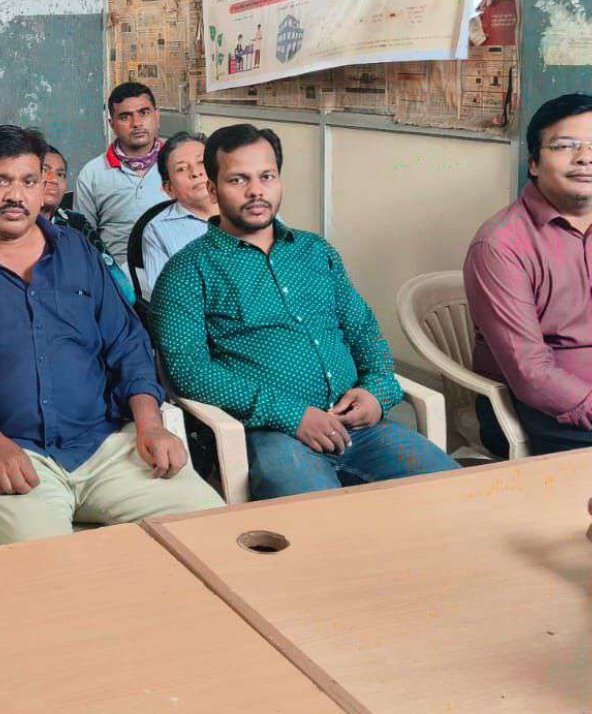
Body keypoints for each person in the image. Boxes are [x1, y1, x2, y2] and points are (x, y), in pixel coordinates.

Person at [0, 125, 221, 546]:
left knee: (212, 531)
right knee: (45, 575)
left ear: (43, 188)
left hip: (109, 445)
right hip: (15, 454)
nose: (15, 195)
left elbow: (127, 343)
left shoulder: (76, 249)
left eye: (28, 181)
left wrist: (150, 424)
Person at [151, 123, 455, 500]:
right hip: (274, 434)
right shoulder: (188, 271)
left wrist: (377, 392)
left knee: (455, 491)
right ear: (212, 190)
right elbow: (188, 371)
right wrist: (292, 415)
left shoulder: (315, 252)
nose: (256, 190)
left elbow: (365, 333)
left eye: (266, 176)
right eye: (238, 180)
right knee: (316, 517)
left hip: (361, 428)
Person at [464, 92, 592, 457]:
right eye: (566, 146)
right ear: (533, 162)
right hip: (538, 407)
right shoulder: (499, 245)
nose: (585, 158)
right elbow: (530, 373)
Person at [74, 81, 168, 270]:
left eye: (144, 113)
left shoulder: (180, 165)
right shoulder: (92, 174)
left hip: (177, 273)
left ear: (157, 116)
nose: (137, 123)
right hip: (117, 278)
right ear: (112, 125)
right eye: (125, 117)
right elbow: (82, 240)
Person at [40, 146, 134, 305]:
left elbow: (123, 289)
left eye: (60, 174)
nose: (53, 179)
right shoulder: (14, 227)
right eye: (44, 170)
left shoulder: (76, 223)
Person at [140, 131, 216, 298]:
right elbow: (166, 299)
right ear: (169, 189)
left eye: (202, 162)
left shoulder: (250, 209)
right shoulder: (157, 231)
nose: (195, 173)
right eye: (181, 168)